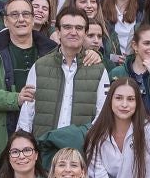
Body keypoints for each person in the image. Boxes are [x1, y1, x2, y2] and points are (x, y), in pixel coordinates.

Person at [16, 8, 109, 136]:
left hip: (81, 148)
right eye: (67, 27)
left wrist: (87, 140)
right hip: (45, 147)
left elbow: (103, 112)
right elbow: (27, 111)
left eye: (79, 28)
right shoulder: (39, 66)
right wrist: (23, 141)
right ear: (58, 32)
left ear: (85, 33)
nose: (73, 32)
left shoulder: (98, 70)